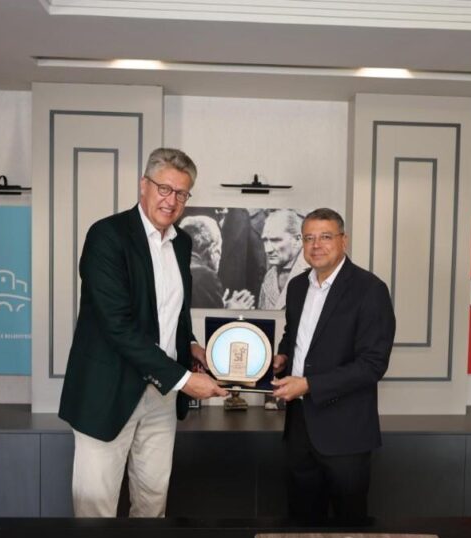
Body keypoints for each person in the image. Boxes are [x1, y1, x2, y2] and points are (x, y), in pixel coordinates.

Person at [59, 148, 228, 518]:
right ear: (143, 185)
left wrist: (191, 345)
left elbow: (173, 311)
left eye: (181, 193)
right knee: (95, 510)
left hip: (160, 396)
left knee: (152, 504)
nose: (171, 200)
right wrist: (185, 380)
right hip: (108, 391)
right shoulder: (107, 236)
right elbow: (116, 325)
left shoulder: (182, 243)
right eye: (164, 188)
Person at [270, 207, 396, 521]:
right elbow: (294, 336)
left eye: (325, 237)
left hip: (346, 433)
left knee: (349, 527)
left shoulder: (370, 290)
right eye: (308, 238)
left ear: (344, 240)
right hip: (299, 429)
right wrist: (282, 358)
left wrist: (308, 385)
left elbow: (372, 365)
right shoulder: (297, 287)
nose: (316, 245)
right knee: (301, 523)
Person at [179, 215, 255, 309]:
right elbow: (205, 317)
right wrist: (230, 311)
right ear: (213, 250)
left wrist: (220, 305)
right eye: (219, 250)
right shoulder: (204, 275)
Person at [258, 209, 306, 309]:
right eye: (265, 240)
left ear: (297, 239)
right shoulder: (269, 277)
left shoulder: (316, 275)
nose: (267, 249)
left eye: (276, 240)